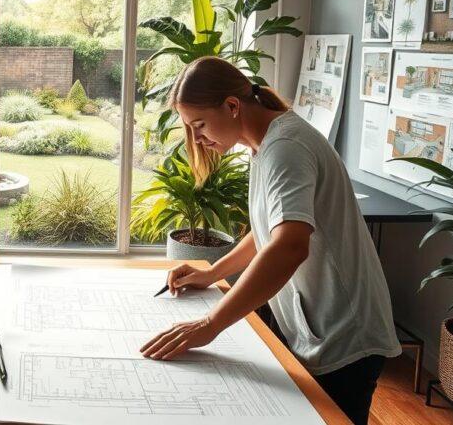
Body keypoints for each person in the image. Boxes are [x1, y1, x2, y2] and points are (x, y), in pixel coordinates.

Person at [140, 56, 400, 425]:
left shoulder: (285, 148)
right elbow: (267, 232)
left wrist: (210, 324)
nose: (196, 138)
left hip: (347, 336)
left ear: (232, 106)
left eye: (198, 124)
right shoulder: (263, 147)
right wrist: (212, 273)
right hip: (321, 326)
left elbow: (289, 246)